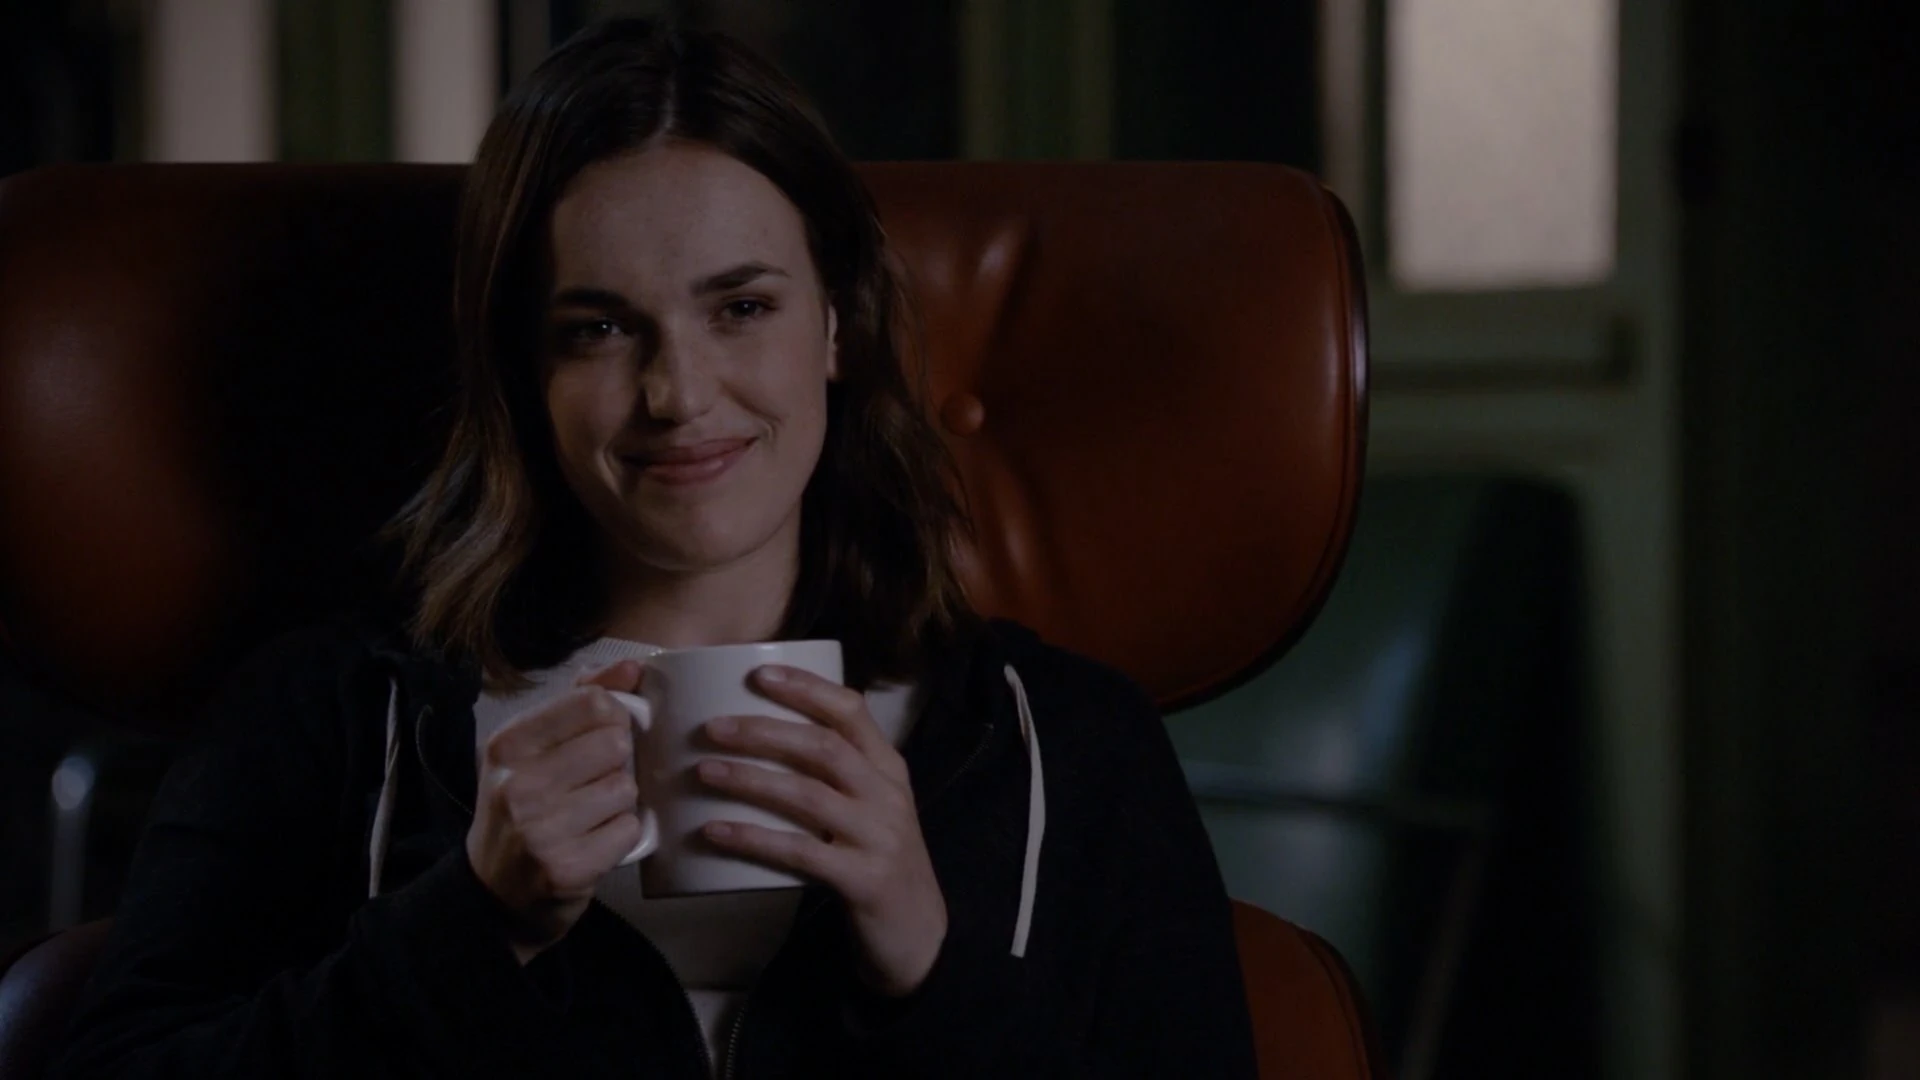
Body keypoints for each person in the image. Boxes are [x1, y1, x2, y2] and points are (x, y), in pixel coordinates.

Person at [51, 18, 1257, 1079]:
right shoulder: (334, 718)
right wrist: (470, 927)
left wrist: (926, 964)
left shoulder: (1063, 740)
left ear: (837, 322)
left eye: (743, 308)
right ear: (525, 369)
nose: (678, 394)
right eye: (599, 329)